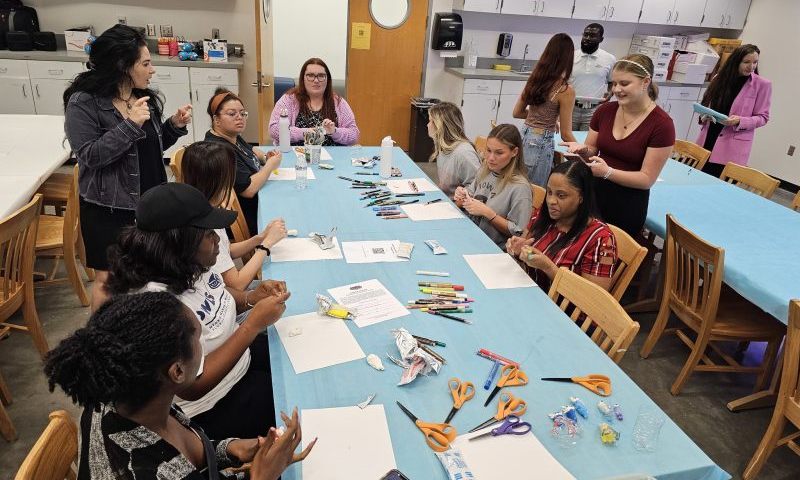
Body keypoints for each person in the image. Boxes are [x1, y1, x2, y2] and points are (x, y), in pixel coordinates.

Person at [44, 292, 315, 480]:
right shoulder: (147, 471)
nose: (205, 345)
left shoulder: (122, 398)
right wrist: (262, 475)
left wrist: (232, 449)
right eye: (199, 340)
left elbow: (189, 449)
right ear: (177, 371)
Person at [105, 182, 290, 440]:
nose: (218, 241)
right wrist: (251, 326)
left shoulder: (192, 264)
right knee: (297, 404)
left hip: (240, 363)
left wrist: (250, 297)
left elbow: (219, 299)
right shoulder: (157, 306)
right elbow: (192, 386)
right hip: (214, 404)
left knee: (298, 353)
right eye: (208, 235)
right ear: (180, 242)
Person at [64, 24, 192, 311]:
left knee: (150, 274)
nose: (152, 70)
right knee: (110, 281)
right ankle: (101, 343)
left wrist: (173, 126)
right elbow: (90, 156)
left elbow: (148, 149)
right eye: (145, 63)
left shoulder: (141, 97)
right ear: (123, 65)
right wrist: (130, 124)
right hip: (108, 209)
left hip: (149, 205)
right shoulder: (84, 102)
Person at [561, 54, 675, 238]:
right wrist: (582, 150)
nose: (617, 89)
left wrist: (608, 172)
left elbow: (646, 179)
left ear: (645, 82)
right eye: (613, 84)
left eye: (624, 83)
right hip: (594, 196)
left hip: (627, 205)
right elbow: (592, 149)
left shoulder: (662, 125)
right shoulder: (605, 111)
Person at [181, 141, 288, 290]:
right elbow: (237, 285)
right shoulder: (203, 227)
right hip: (226, 296)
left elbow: (227, 250)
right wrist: (266, 245)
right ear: (220, 183)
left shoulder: (203, 208)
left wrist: (261, 237)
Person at [506, 160, 618, 291]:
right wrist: (518, 250)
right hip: (530, 292)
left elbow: (592, 300)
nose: (551, 201)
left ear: (581, 197)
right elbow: (527, 251)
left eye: (561, 195)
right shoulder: (544, 216)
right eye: (549, 192)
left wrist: (548, 267)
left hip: (559, 309)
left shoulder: (601, 240)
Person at [205, 88, 282, 236]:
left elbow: (250, 149)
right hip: (248, 215)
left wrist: (265, 157)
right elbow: (248, 190)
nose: (239, 118)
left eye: (242, 113)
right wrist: (270, 166)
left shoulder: (231, 135)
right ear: (216, 120)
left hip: (258, 202)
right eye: (232, 114)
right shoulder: (220, 150)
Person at [696, 44, 771, 178]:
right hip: (709, 137)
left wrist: (740, 121)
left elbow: (763, 117)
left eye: (755, 62)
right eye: (746, 62)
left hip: (733, 145)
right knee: (696, 179)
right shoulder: (719, 79)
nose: (751, 66)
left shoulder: (762, 85)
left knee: (719, 188)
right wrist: (704, 116)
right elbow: (707, 105)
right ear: (736, 62)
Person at [513, 33, 577, 187]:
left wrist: (547, 119)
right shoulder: (564, 90)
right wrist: (583, 155)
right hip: (540, 143)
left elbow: (517, 112)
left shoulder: (535, 79)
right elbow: (566, 134)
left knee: (519, 186)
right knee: (535, 193)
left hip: (524, 136)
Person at [454, 124, 533, 248]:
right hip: (470, 236)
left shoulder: (520, 188)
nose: (490, 158)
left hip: (493, 247)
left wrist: (489, 214)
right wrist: (462, 195)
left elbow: (518, 233)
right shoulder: (485, 171)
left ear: (514, 152)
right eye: (488, 150)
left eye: (499, 153)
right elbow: (463, 200)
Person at [268, 57, 359, 146]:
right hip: (296, 155)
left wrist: (334, 131)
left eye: (321, 76)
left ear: (327, 79)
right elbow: (274, 130)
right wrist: (304, 133)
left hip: (333, 157)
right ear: (303, 79)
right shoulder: (289, 100)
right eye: (310, 75)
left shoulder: (339, 102)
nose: (316, 80)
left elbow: (354, 134)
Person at [427, 102, 481, 197]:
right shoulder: (443, 146)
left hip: (459, 206)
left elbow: (478, 188)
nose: (428, 125)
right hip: (446, 198)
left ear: (441, 126)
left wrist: (459, 199)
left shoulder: (464, 153)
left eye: (431, 121)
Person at [571, 23, 616, 131]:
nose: (587, 38)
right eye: (585, 35)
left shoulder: (609, 59)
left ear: (601, 39)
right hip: (570, 108)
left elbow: (612, 82)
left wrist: (610, 93)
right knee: (564, 143)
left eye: (592, 36)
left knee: (587, 145)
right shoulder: (570, 56)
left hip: (594, 110)